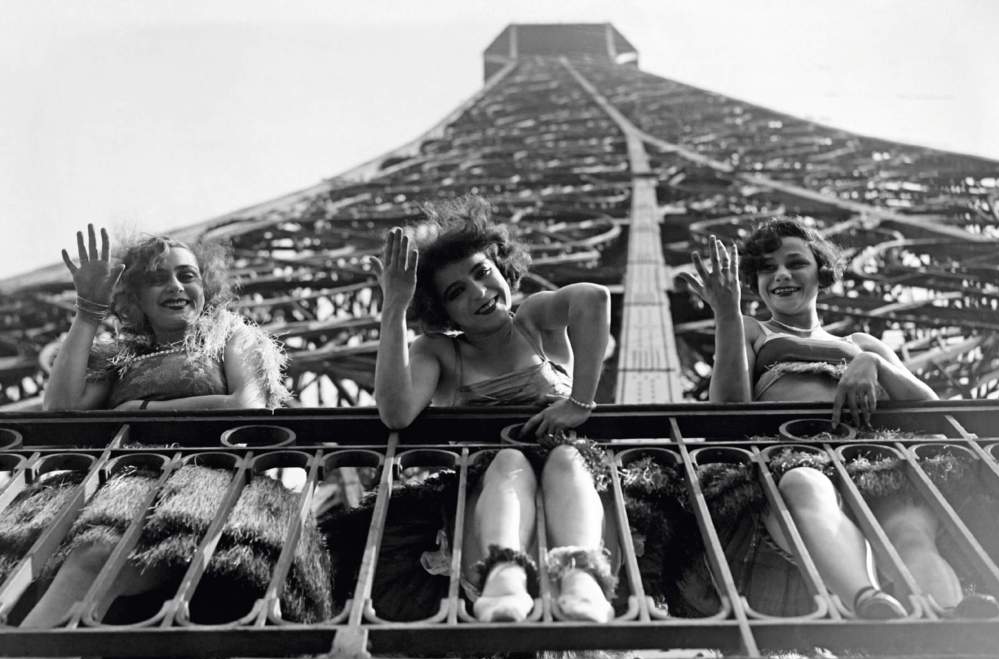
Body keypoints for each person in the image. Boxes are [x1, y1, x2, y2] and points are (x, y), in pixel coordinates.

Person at [11, 224, 331, 627]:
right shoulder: (120, 357)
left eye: (187, 275)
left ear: (205, 285)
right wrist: (88, 310)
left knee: (94, 559)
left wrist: (138, 406)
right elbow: (60, 411)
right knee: (83, 572)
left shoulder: (233, 335)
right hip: (121, 491)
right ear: (135, 297)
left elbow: (245, 408)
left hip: (207, 493)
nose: (175, 286)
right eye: (156, 278)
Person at [682, 217, 996, 618]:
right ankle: (869, 605)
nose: (781, 274)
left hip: (874, 456)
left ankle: (950, 622)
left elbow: (932, 410)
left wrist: (873, 363)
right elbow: (727, 411)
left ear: (821, 271)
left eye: (795, 263)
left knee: (911, 531)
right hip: (792, 456)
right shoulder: (752, 329)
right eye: (766, 268)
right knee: (804, 485)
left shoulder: (862, 343)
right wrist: (726, 316)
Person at [358, 196, 615, 623]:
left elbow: (595, 299)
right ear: (442, 310)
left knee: (567, 457)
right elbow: (396, 413)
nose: (479, 292)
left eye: (483, 273)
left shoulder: (534, 320)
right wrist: (394, 307)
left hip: (575, 494)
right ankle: (504, 576)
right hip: (488, 500)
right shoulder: (439, 350)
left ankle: (582, 578)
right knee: (511, 458)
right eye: (457, 292)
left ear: (501, 266)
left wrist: (580, 403)